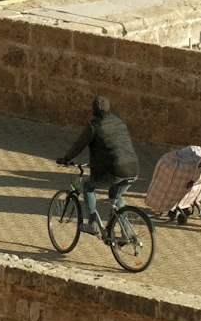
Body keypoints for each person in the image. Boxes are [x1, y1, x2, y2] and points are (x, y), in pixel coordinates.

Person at [56, 96, 139, 234]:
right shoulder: (119, 121)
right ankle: (127, 233)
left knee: (88, 186)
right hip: (133, 168)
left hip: (116, 169)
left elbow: (78, 145)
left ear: (93, 109)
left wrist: (66, 158)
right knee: (115, 197)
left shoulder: (93, 125)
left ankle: (92, 224)